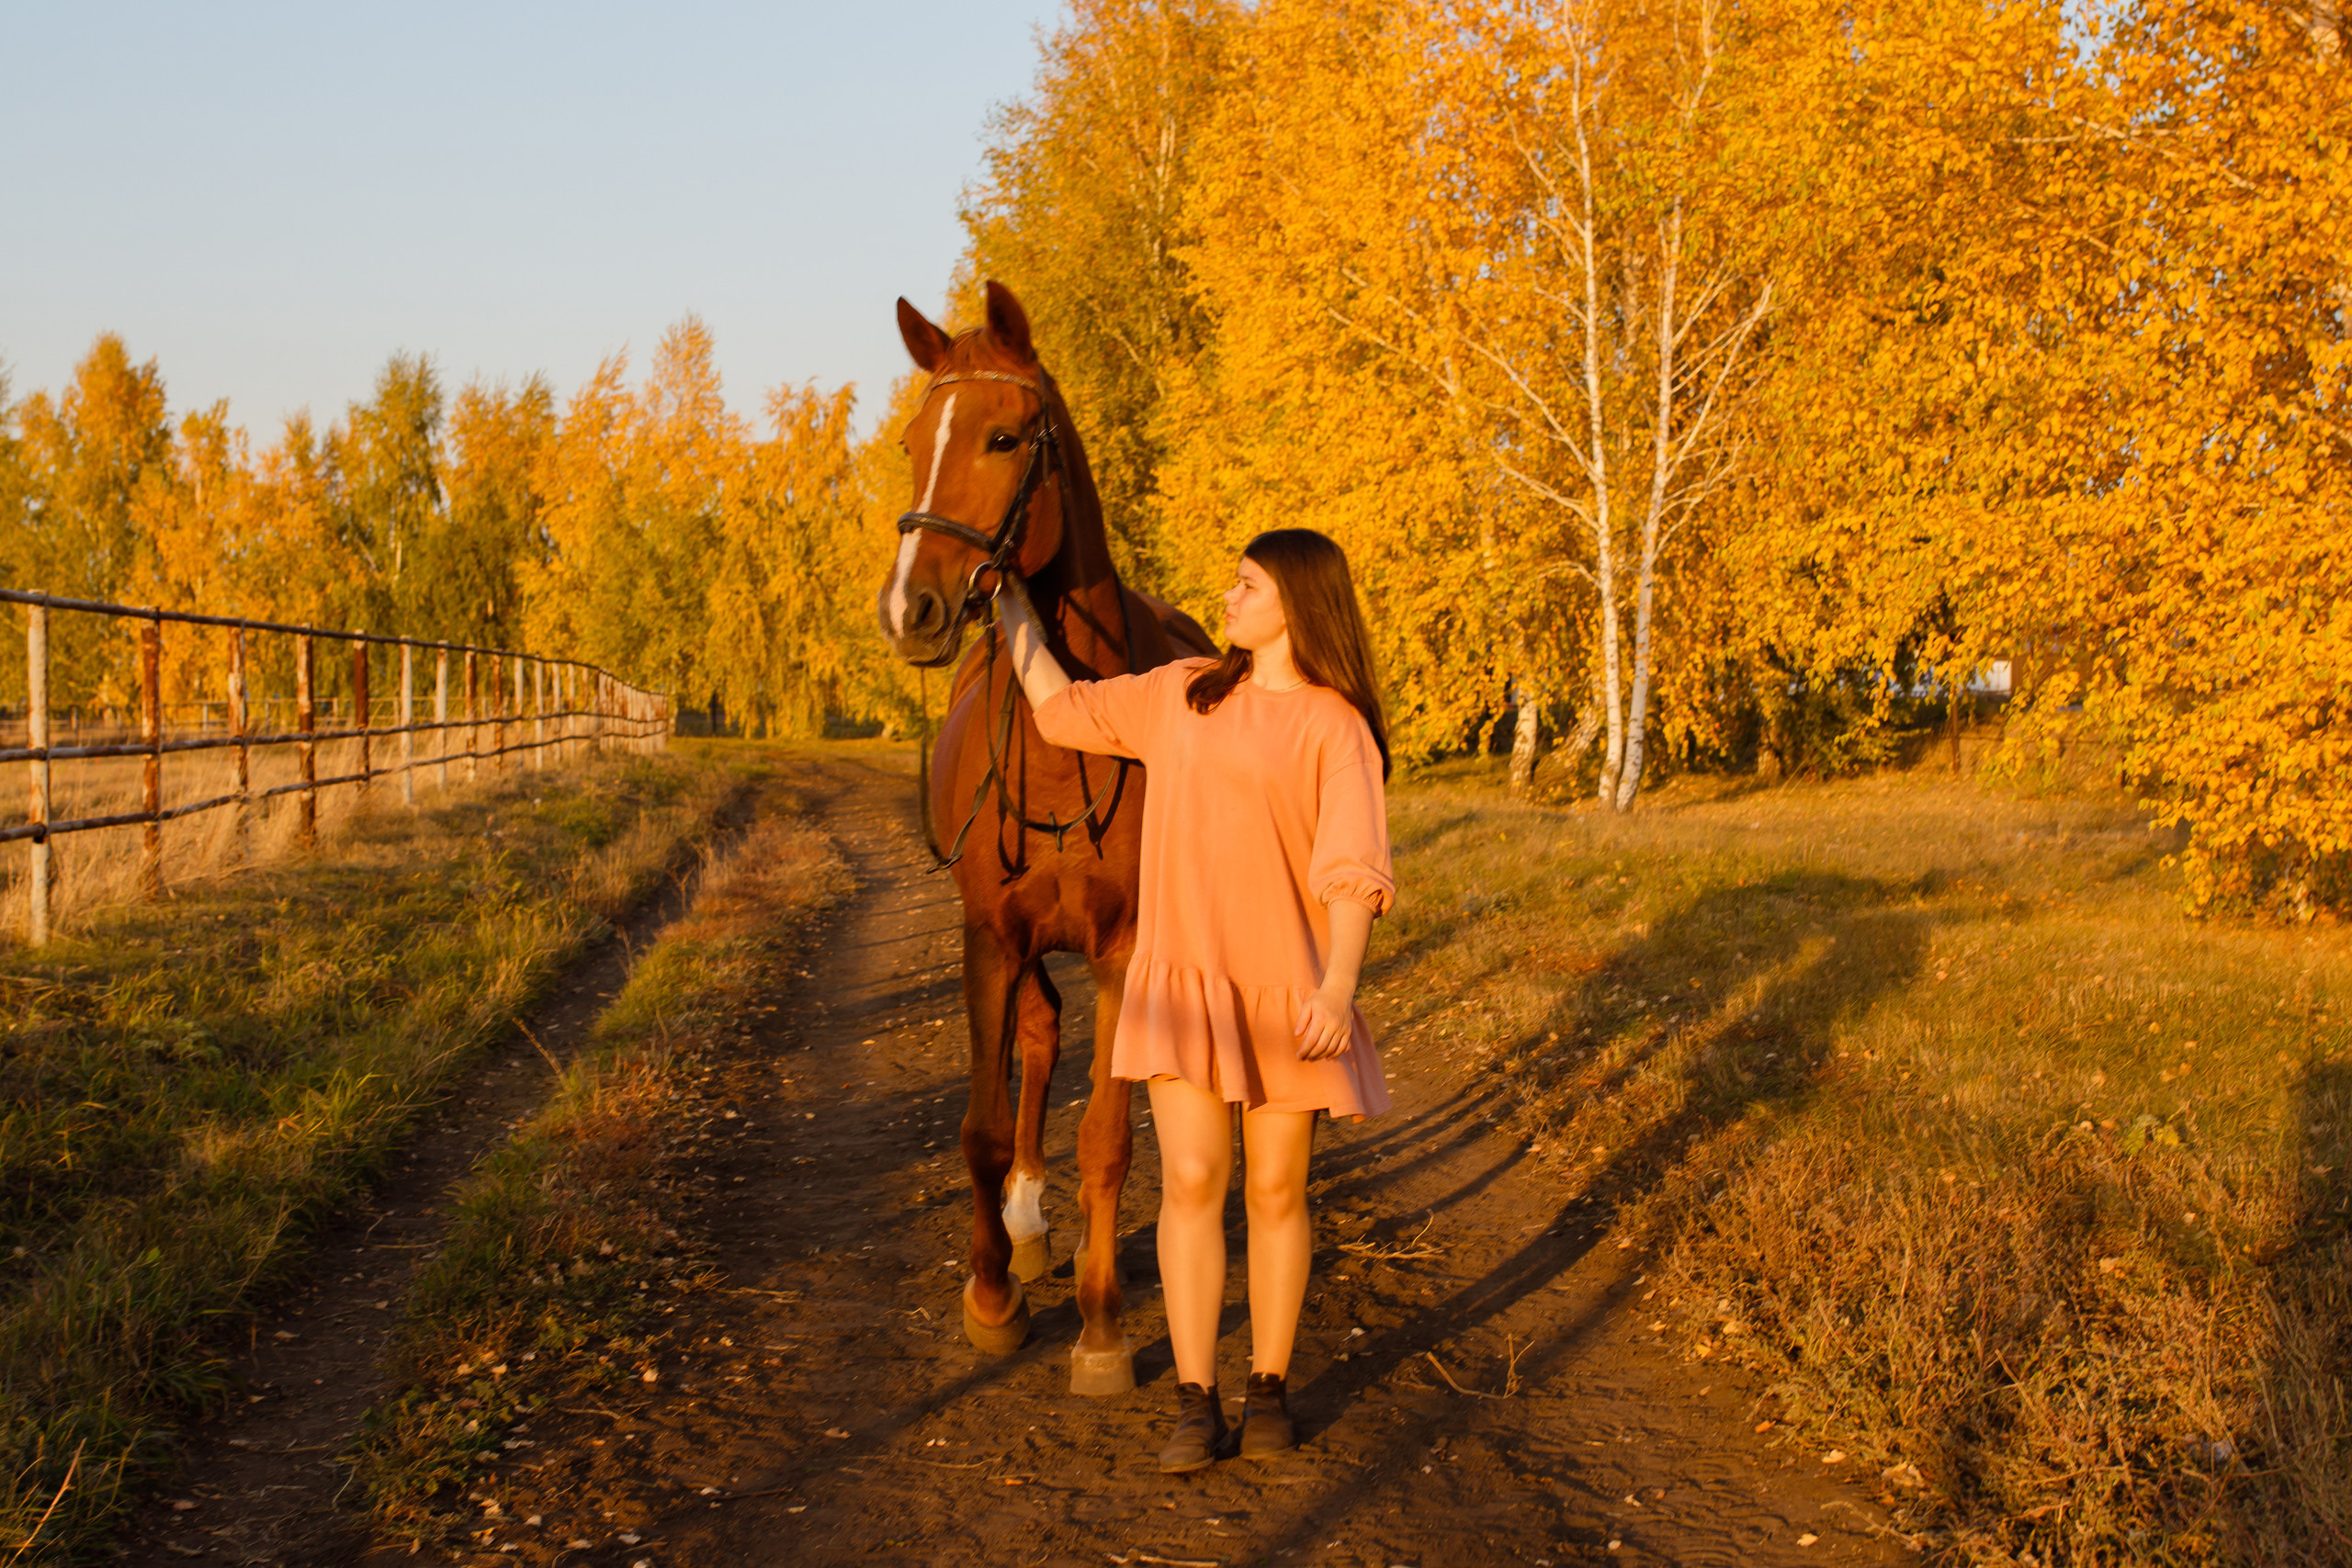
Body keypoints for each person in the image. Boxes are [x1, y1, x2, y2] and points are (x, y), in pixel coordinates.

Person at [995, 527, 1396, 1472]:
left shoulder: (1335, 726)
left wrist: (1338, 988)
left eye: (1248, 583)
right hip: (1180, 983)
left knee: (1274, 1189)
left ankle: (1267, 1387)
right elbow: (1059, 711)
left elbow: (1350, 870)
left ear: (1298, 602)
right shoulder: (1182, 694)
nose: (1229, 594)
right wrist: (1009, 607)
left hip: (1289, 990)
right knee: (1187, 1184)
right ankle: (1193, 1397)